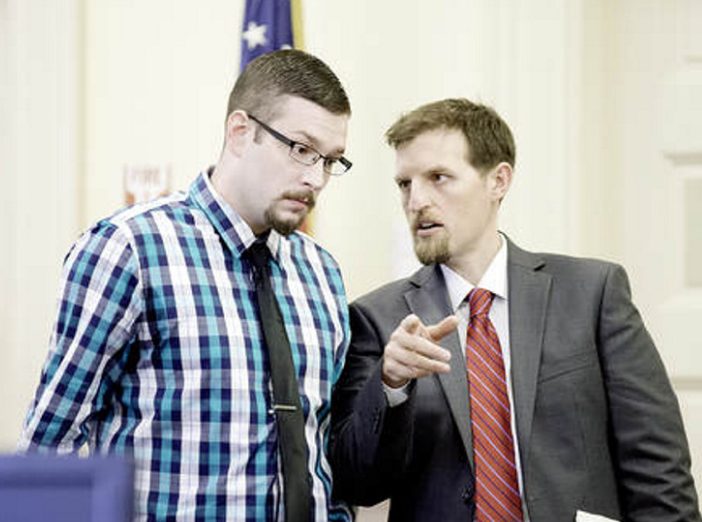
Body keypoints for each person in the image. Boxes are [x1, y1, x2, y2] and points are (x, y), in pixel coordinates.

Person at [19, 49, 354, 521]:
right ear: (240, 132)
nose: (315, 178)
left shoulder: (323, 273)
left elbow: (323, 451)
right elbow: (48, 450)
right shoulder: (129, 248)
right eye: (301, 149)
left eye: (331, 160)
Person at [330, 98, 700, 521]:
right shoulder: (377, 318)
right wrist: (391, 385)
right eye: (405, 184)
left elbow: (658, 468)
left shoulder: (592, 294)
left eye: (438, 178)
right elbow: (356, 481)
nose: (416, 201)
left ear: (498, 180)